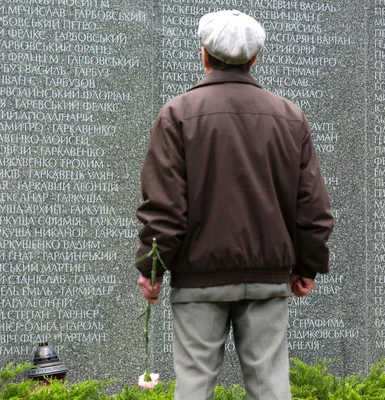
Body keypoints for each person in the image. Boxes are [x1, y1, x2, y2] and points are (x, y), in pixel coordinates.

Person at [135, 9, 334, 400]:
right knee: (271, 388)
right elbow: (312, 206)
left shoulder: (177, 114)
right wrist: (308, 265)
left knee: (193, 386)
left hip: (199, 278)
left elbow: (165, 206)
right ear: (254, 58)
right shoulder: (290, 117)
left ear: (205, 54)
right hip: (267, 277)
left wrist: (152, 269)